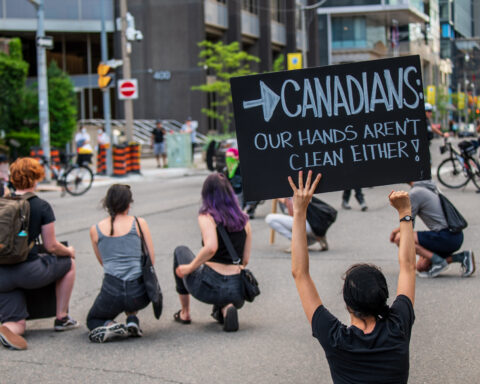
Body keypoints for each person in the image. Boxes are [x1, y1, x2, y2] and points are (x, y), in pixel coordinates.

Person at [290, 170, 416, 384]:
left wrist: (299, 211)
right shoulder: (398, 327)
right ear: (383, 297)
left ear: (347, 303)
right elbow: (409, 267)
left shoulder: (336, 339)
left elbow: (300, 273)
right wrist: (404, 211)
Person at [0, 158, 78, 351]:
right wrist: (68, 251)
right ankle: (62, 318)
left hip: (2, 276)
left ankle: (7, 328)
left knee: (18, 323)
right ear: (35, 179)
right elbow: (51, 246)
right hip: (29, 272)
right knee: (68, 263)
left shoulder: (2, 204)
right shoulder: (41, 206)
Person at [173, 173, 252, 332]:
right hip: (237, 290)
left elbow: (211, 248)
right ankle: (226, 307)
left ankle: (185, 312)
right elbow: (245, 260)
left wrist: (189, 268)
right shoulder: (244, 219)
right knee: (226, 291)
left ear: (206, 194)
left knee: (181, 251)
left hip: (209, 287)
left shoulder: (207, 216)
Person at [87, 184, 155, 343]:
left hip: (112, 293)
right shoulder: (139, 223)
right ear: (129, 204)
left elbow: (103, 262)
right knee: (133, 277)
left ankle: (110, 324)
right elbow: (150, 259)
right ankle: (132, 318)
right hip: (139, 294)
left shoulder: (95, 229)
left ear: (107, 203)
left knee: (93, 320)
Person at [390, 180, 474, 278]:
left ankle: (439, 262)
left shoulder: (416, 192)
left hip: (446, 236)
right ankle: (462, 257)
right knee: (421, 266)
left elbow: (408, 225)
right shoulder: (429, 186)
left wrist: (394, 231)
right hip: (455, 235)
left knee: (399, 238)